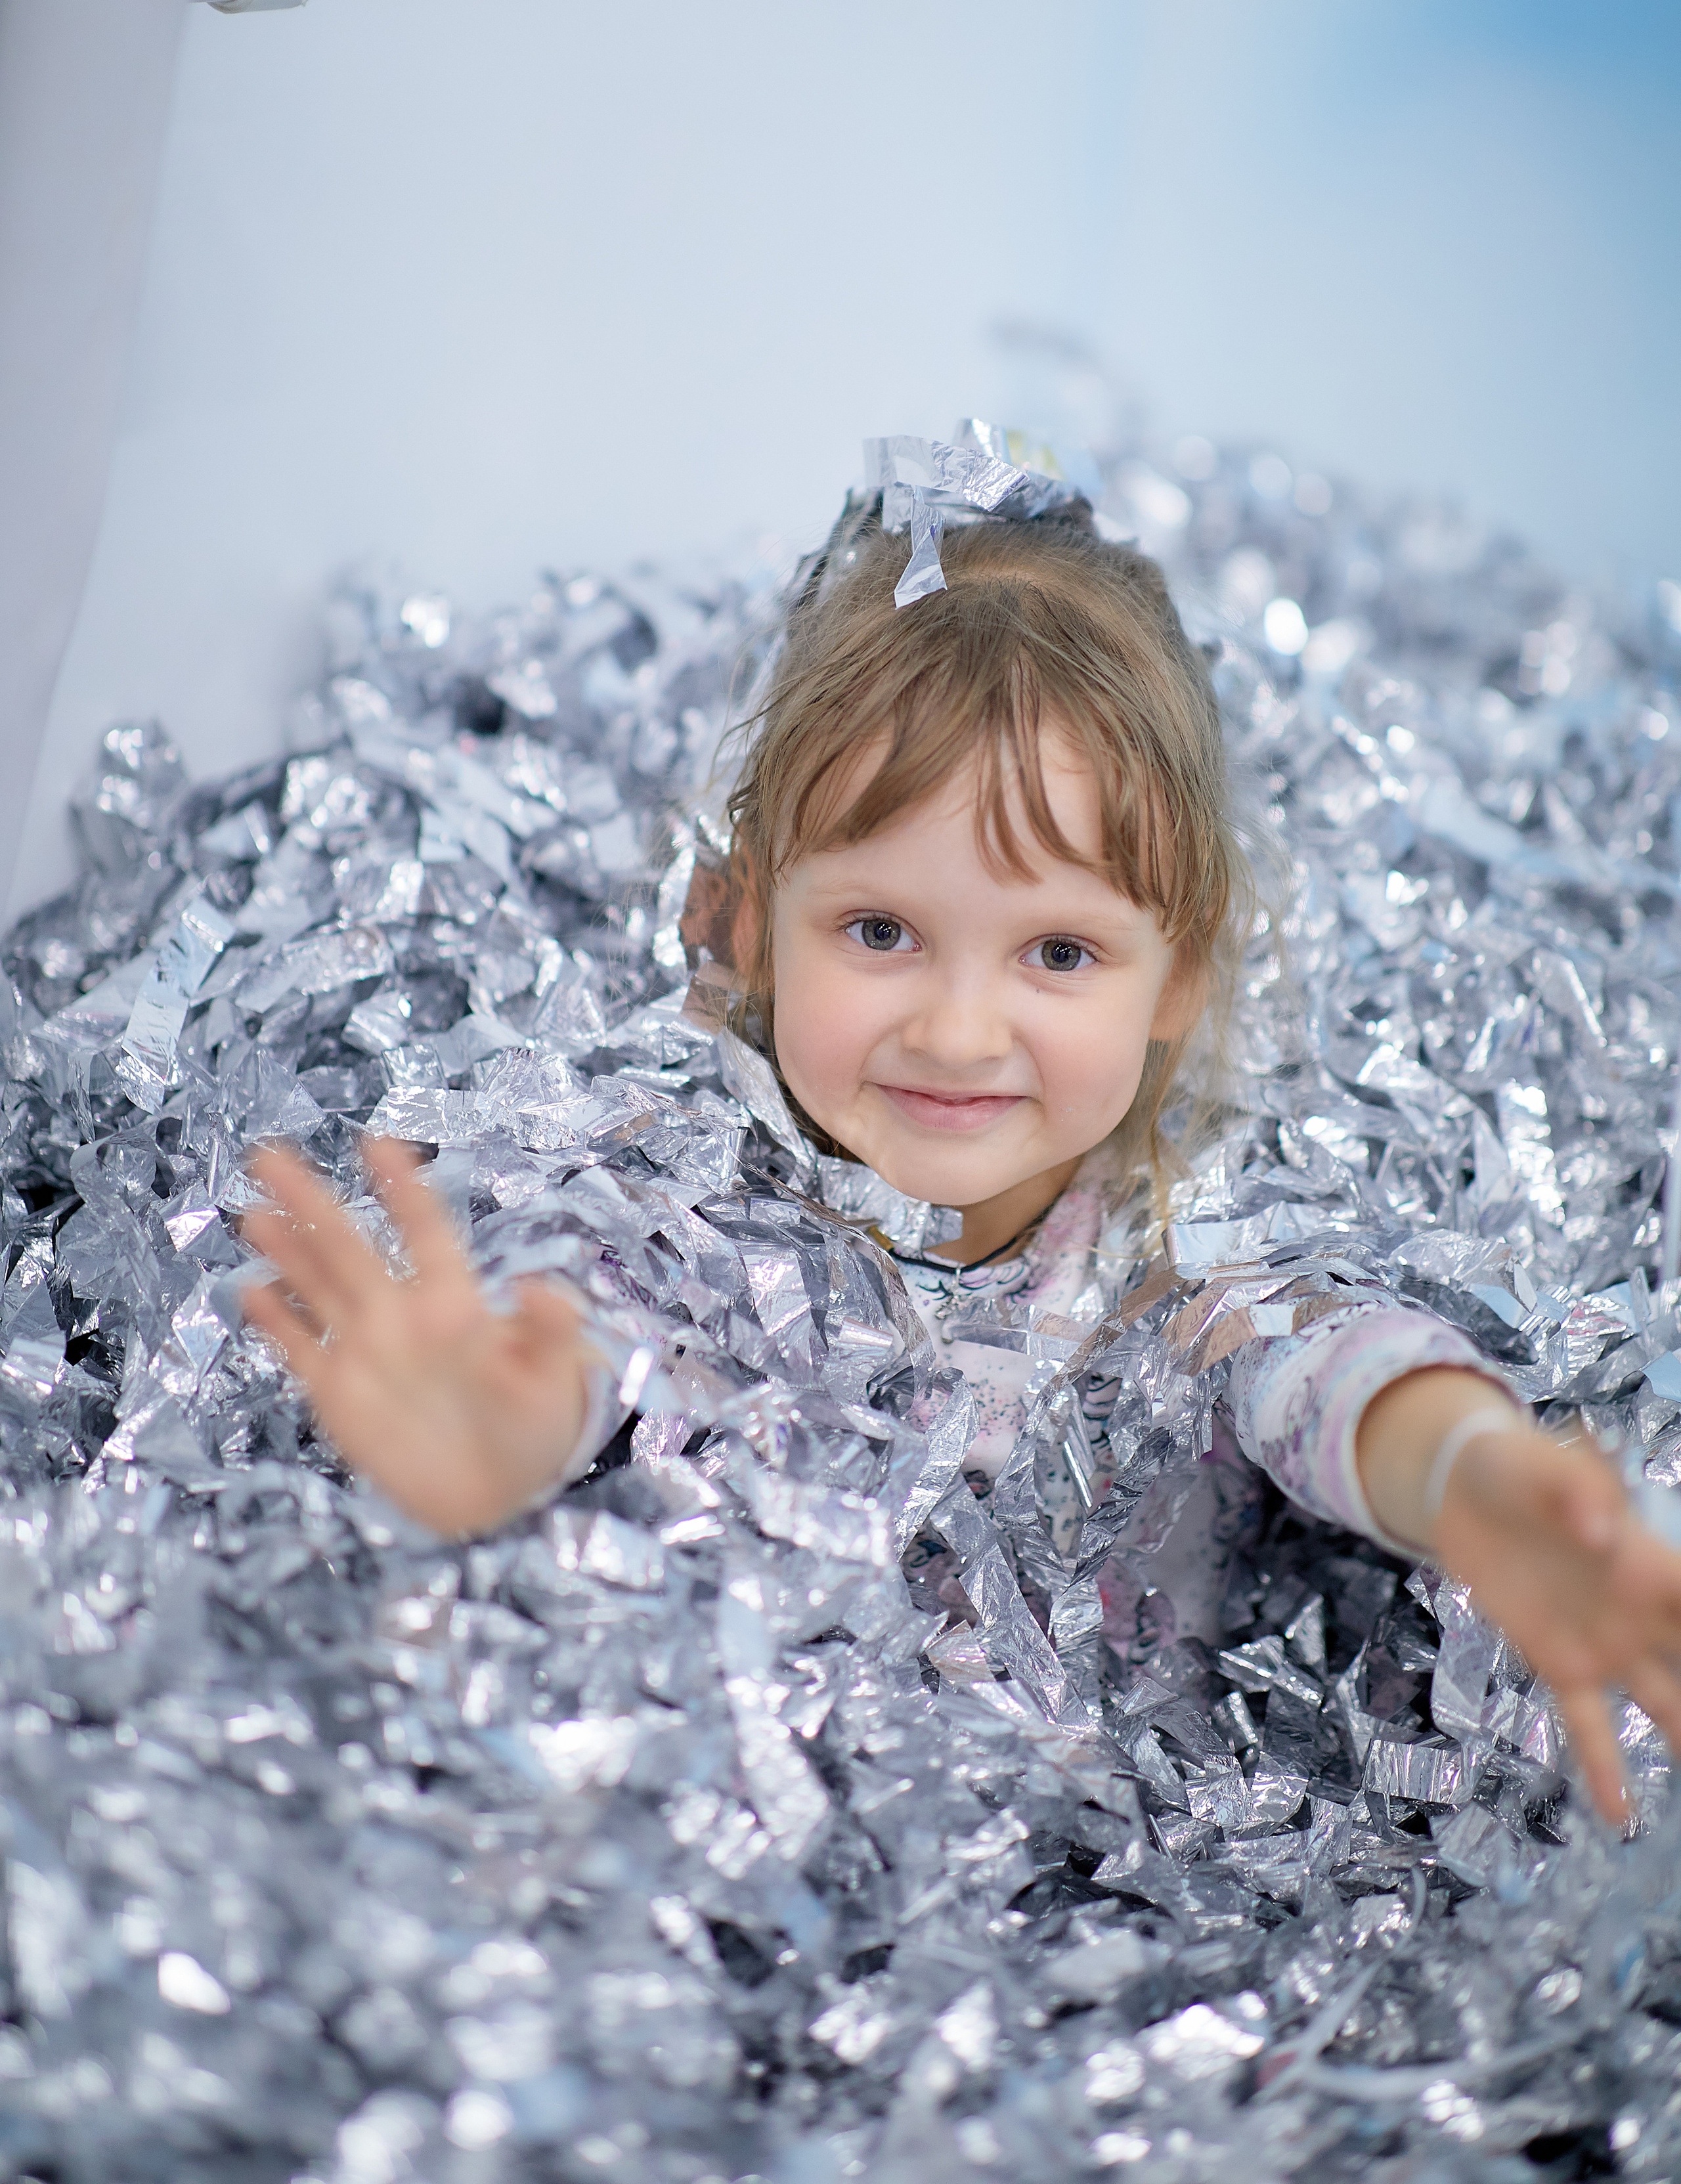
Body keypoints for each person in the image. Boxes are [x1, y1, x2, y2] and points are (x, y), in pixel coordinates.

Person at [242, 491, 1681, 1827]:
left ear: (1174, 978)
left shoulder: (1179, 1259)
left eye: (1059, 952)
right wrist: (494, 1445)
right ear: (745, 923)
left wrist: (1477, 1482)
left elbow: (1338, 1369)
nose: (957, 1026)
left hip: (1114, 1898)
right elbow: (575, 1328)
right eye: (879, 932)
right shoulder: (675, 1186)